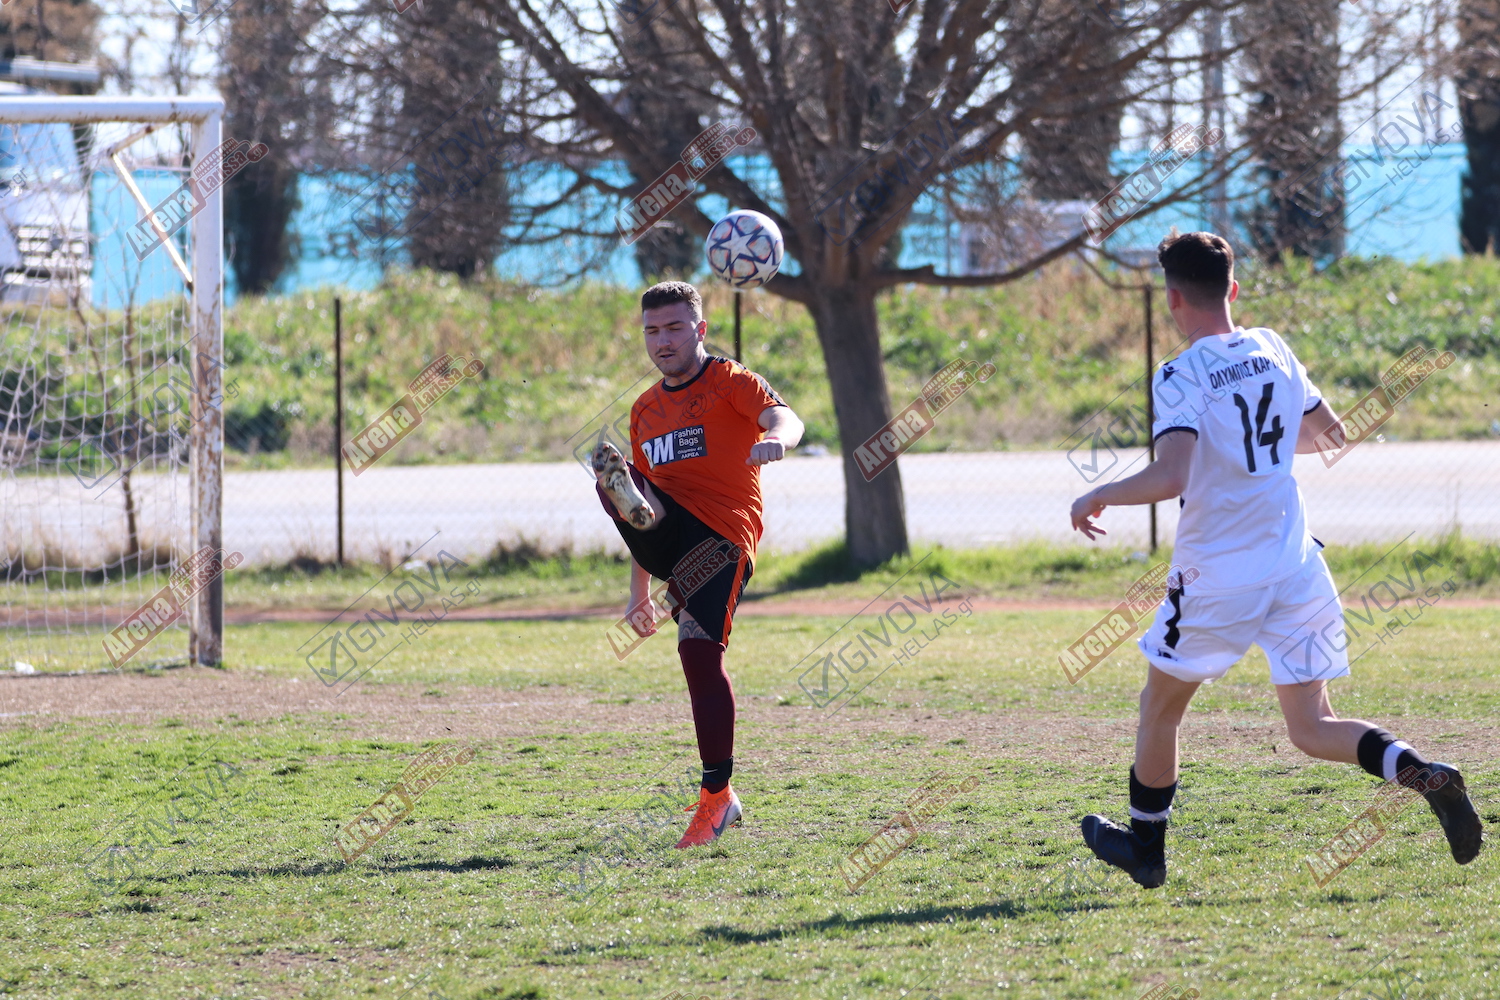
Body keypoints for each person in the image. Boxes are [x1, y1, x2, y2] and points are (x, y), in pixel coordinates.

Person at [1067, 231, 1483, 888]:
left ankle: (1145, 848)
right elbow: (1330, 435)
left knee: (1159, 709)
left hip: (1216, 578)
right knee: (1312, 726)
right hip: (1295, 565)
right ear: (1233, 289)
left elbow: (1172, 475)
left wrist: (1099, 494)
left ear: (1172, 298)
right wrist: (1253, 449)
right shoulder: (1273, 347)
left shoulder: (1179, 374)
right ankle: (1424, 773)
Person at [592, 280, 804, 848]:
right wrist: (638, 595)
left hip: (722, 538)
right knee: (621, 488)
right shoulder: (645, 409)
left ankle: (718, 797)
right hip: (665, 534)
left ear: (700, 329)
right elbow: (641, 500)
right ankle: (719, 800)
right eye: (652, 331)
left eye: (674, 328)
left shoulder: (730, 380)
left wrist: (777, 439)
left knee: (698, 656)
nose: (662, 341)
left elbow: (786, 417)